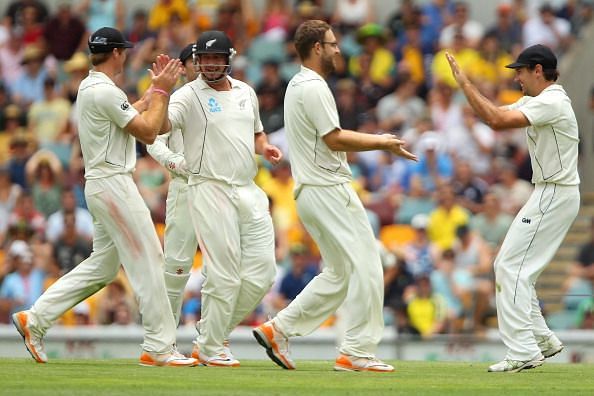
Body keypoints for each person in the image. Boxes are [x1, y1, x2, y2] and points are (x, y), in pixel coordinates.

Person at [11, 27, 197, 367]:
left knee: (104, 266)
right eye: (123, 51)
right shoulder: (105, 91)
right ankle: (158, 346)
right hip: (113, 184)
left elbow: (131, 113)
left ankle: (35, 318)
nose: (125, 56)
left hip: (100, 184)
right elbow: (148, 130)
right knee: (150, 259)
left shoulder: (89, 87)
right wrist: (163, 90)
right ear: (116, 53)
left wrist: (153, 92)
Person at [252, 19, 417, 373]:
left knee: (340, 272)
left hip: (311, 191)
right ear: (317, 49)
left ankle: (278, 329)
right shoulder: (312, 86)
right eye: (332, 44)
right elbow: (334, 138)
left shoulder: (300, 83)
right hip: (328, 188)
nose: (338, 49)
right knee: (370, 264)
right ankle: (357, 351)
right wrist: (383, 142)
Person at [446, 44, 580, 372]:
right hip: (549, 192)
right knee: (517, 268)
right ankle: (542, 339)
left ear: (538, 70)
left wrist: (464, 83)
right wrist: (471, 92)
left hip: (555, 192)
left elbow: (494, 120)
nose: (516, 77)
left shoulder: (552, 101)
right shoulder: (537, 101)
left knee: (508, 267)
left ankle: (523, 349)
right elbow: (494, 112)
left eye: (520, 70)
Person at [162, 30, 282, 367]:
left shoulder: (246, 91)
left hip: (247, 187)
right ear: (196, 61)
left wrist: (264, 146)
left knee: (263, 273)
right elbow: (158, 129)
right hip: (209, 187)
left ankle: (211, 333)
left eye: (217, 58)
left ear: (229, 58)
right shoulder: (186, 96)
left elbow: (256, 131)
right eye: (205, 58)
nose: (211, 64)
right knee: (223, 273)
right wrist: (159, 92)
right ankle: (211, 346)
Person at [146, 43, 197, 329]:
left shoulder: (228, 95)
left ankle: (213, 338)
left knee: (225, 267)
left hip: (218, 188)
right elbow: (153, 139)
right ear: (182, 66)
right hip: (184, 186)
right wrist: (175, 163)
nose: (198, 66)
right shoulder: (174, 99)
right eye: (192, 61)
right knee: (176, 267)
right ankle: (163, 337)